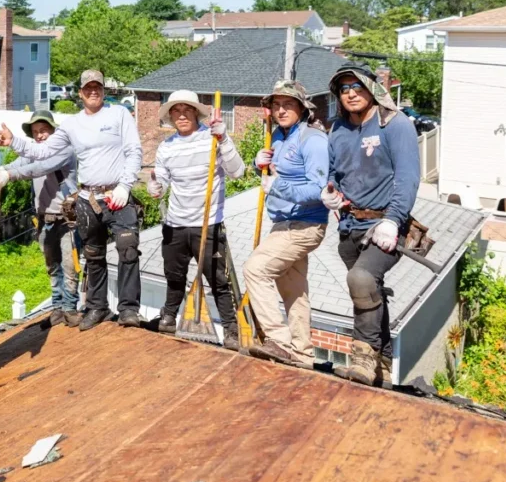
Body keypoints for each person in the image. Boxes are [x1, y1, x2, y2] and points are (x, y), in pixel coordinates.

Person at [0, 70, 142, 331]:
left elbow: (133, 149)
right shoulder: (72, 125)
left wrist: (125, 185)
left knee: (127, 250)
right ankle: (97, 308)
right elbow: (42, 151)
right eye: (88, 87)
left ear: (104, 90)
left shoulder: (119, 114)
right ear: (81, 93)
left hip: (116, 195)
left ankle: (129, 310)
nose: (93, 91)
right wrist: (13, 141)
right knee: (93, 256)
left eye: (97, 86)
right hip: (88, 198)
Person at [322, 63, 421, 386]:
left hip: (387, 225)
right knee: (368, 292)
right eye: (344, 89)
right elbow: (334, 173)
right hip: (350, 225)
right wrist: (331, 193)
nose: (350, 93)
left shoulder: (395, 125)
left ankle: (362, 360)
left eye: (356, 86)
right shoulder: (337, 129)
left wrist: (393, 220)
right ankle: (383, 367)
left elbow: (407, 179)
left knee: (362, 279)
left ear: (371, 88)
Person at [148, 90, 244, 351]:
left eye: (186, 110)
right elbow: (161, 184)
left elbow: (237, 172)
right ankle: (168, 317)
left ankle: (232, 329)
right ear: (170, 117)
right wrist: (155, 186)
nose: (181, 115)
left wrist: (223, 138)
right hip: (176, 223)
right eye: (176, 112)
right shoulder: (166, 147)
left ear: (196, 113)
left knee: (218, 281)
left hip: (208, 223)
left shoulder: (213, 139)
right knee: (173, 276)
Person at [243, 80, 329, 368]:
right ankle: (303, 353)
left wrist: (278, 187)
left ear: (302, 108)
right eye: (276, 105)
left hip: (304, 225)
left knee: (255, 270)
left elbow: (319, 191)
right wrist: (260, 165)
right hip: (282, 223)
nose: (281, 110)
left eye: (288, 104)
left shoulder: (313, 140)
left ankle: (279, 341)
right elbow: (275, 175)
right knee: (294, 292)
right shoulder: (278, 137)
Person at [0, 110, 80, 327]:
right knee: (52, 266)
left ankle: (70, 309)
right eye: (36, 132)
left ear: (54, 131)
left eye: (44, 131)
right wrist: (3, 168)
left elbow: (40, 168)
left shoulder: (65, 150)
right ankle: (57, 309)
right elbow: (21, 163)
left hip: (67, 219)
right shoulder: (34, 153)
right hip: (44, 219)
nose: (40, 136)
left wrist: (10, 175)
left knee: (70, 267)